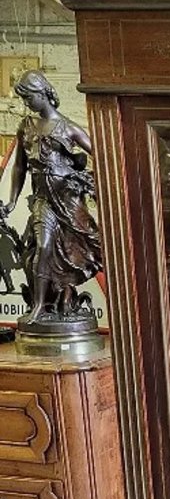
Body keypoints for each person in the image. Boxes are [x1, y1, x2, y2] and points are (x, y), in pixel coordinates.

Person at [0, 70, 101, 326]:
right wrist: (12, 201)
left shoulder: (68, 128)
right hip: (43, 200)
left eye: (29, 98)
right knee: (43, 248)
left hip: (68, 201)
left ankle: (65, 299)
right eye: (24, 99)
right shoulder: (26, 127)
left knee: (72, 251)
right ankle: (39, 306)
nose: (27, 104)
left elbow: (102, 155)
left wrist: (90, 181)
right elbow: (19, 168)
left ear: (43, 92)